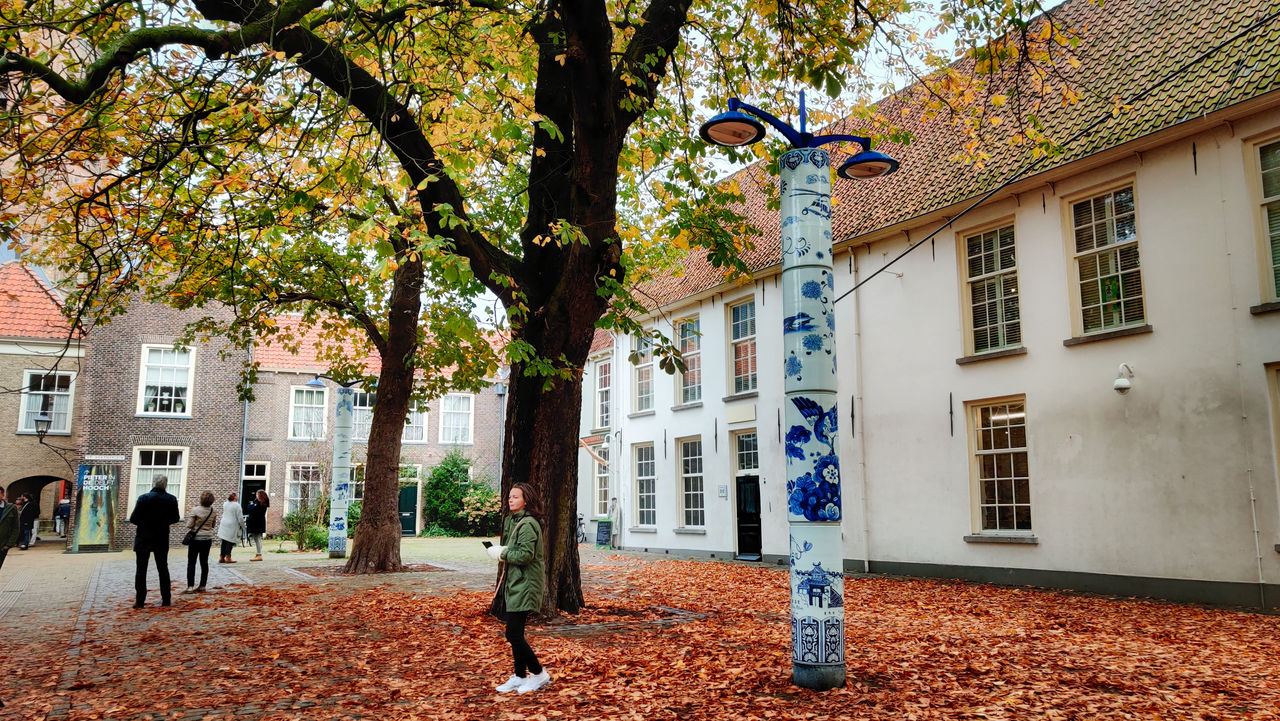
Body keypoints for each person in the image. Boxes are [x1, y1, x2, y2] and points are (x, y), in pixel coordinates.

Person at [486, 482, 551, 694]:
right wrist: (501, 550)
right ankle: (520, 676)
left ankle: (539, 673)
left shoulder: (528, 523)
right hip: (516, 582)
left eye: (515, 497)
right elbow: (513, 550)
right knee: (516, 633)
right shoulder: (512, 521)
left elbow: (524, 555)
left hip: (526, 584)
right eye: (509, 497)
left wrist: (502, 553)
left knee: (513, 634)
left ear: (526, 500)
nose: (510, 499)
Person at [128, 476, 181, 608]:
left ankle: (140, 601)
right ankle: (166, 600)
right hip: (161, 538)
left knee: (141, 570)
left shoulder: (143, 498)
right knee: (163, 568)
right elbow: (175, 518)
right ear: (166, 485)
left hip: (143, 537)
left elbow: (133, 518)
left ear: (153, 484)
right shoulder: (171, 499)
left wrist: (145, 523)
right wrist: (163, 522)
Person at [183, 491, 218, 593]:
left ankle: (190, 586)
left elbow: (189, 525)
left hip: (196, 540)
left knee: (191, 562)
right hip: (207, 539)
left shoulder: (195, 510)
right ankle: (202, 585)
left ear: (201, 499)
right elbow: (213, 525)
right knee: (204, 562)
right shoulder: (213, 511)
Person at [217, 492, 245, 564]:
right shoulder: (237, 505)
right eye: (237, 496)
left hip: (224, 523)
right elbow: (240, 518)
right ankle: (228, 557)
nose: (238, 497)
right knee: (230, 541)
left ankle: (221, 557)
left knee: (224, 541)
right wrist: (243, 526)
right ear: (235, 497)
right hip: (232, 524)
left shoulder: (225, 504)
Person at [245, 490, 269, 562]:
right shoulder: (261, 503)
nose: (256, 496)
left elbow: (251, 508)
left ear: (260, 495)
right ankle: (259, 554)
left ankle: (259, 554)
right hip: (258, 522)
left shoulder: (260, 504)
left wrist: (251, 505)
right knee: (257, 538)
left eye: (257, 494)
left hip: (257, 523)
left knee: (257, 538)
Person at [0, 489, 19, 571]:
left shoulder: (11, 508)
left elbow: (16, 527)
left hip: (2, 545)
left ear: (2, 495)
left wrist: (9, 544)